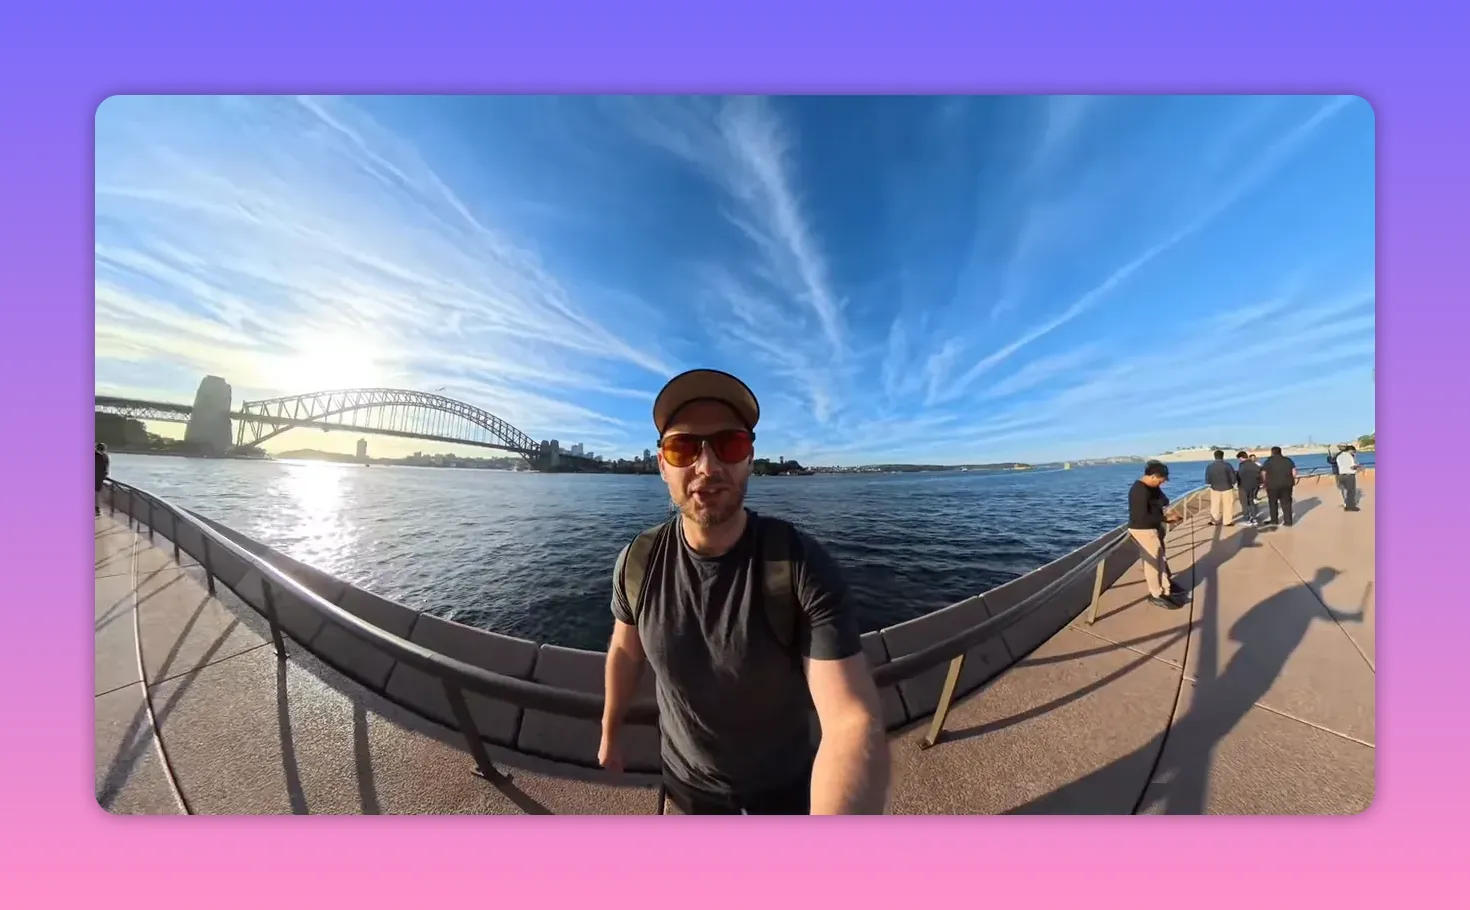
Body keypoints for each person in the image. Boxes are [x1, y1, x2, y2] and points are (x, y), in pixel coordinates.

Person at [599, 368, 890, 815]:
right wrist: (610, 733)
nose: (708, 466)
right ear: (662, 466)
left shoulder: (799, 566)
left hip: (785, 787)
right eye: (682, 448)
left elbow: (851, 720)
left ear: (749, 458)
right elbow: (625, 651)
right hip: (686, 785)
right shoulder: (638, 563)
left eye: (729, 445)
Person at [1127, 460, 1185, 610]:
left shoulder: (1152, 488)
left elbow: (1163, 500)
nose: (1162, 484)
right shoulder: (1139, 491)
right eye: (1160, 480)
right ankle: (1155, 594)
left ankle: (1165, 589)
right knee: (1152, 564)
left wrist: (1166, 509)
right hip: (1143, 530)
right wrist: (1166, 518)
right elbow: (1141, 517)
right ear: (1153, 476)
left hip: (1153, 528)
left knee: (1161, 560)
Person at [1260, 445, 1299, 526]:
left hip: (1272, 486)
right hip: (1286, 485)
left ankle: (1274, 521)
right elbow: (1294, 472)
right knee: (1286, 504)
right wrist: (1290, 479)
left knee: (1273, 503)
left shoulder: (1268, 461)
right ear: (1280, 452)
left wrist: (1265, 482)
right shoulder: (1288, 460)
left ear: (1272, 452)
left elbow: (1264, 473)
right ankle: (1288, 522)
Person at [1204, 449, 1237, 527]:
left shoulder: (1210, 466)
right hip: (1227, 487)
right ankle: (1227, 521)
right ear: (1223, 456)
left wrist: (1209, 483)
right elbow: (1232, 477)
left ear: (1214, 456)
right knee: (1228, 505)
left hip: (1214, 488)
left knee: (1215, 505)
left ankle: (1214, 520)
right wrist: (1233, 482)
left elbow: (1207, 477)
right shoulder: (1227, 465)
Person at [1235, 451, 1262, 526]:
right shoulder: (1254, 464)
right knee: (1251, 502)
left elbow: (1240, 475)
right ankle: (1254, 518)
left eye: (1239, 459)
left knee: (1244, 503)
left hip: (1243, 486)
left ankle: (1247, 519)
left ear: (1241, 458)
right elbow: (1259, 473)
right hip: (1253, 485)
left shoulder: (1242, 465)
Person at [1335, 445, 1360, 511]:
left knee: (1344, 491)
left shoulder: (1339, 456)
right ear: (1351, 450)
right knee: (1351, 492)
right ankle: (1351, 507)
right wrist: (1358, 466)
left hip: (1341, 475)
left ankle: (1346, 505)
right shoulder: (1349, 456)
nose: (1354, 453)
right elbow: (1352, 467)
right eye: (1354, 452)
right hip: (1349, 475)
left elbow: (1339, 465)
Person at [94, 443, 110, 516]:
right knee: (96, 493)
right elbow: (106, 470)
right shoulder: (105, 456)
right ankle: (97, 509)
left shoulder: (96, 455)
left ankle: (96, 509)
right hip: (99, 477)